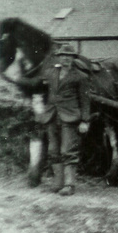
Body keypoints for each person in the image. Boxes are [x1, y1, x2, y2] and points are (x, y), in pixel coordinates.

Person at [37, 44, 91, 196]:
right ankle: (58, 183)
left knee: (68, 150)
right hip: (51, 116)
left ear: (73, 58)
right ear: (59, 57)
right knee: (53, 150)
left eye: (69, 56)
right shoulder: (50, 73)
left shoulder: (81, 77)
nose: (65, 58)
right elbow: (42, 92)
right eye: (63, 56)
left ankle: (69, 185)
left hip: (70, 117)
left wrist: (85, 121)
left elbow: (85, 100)